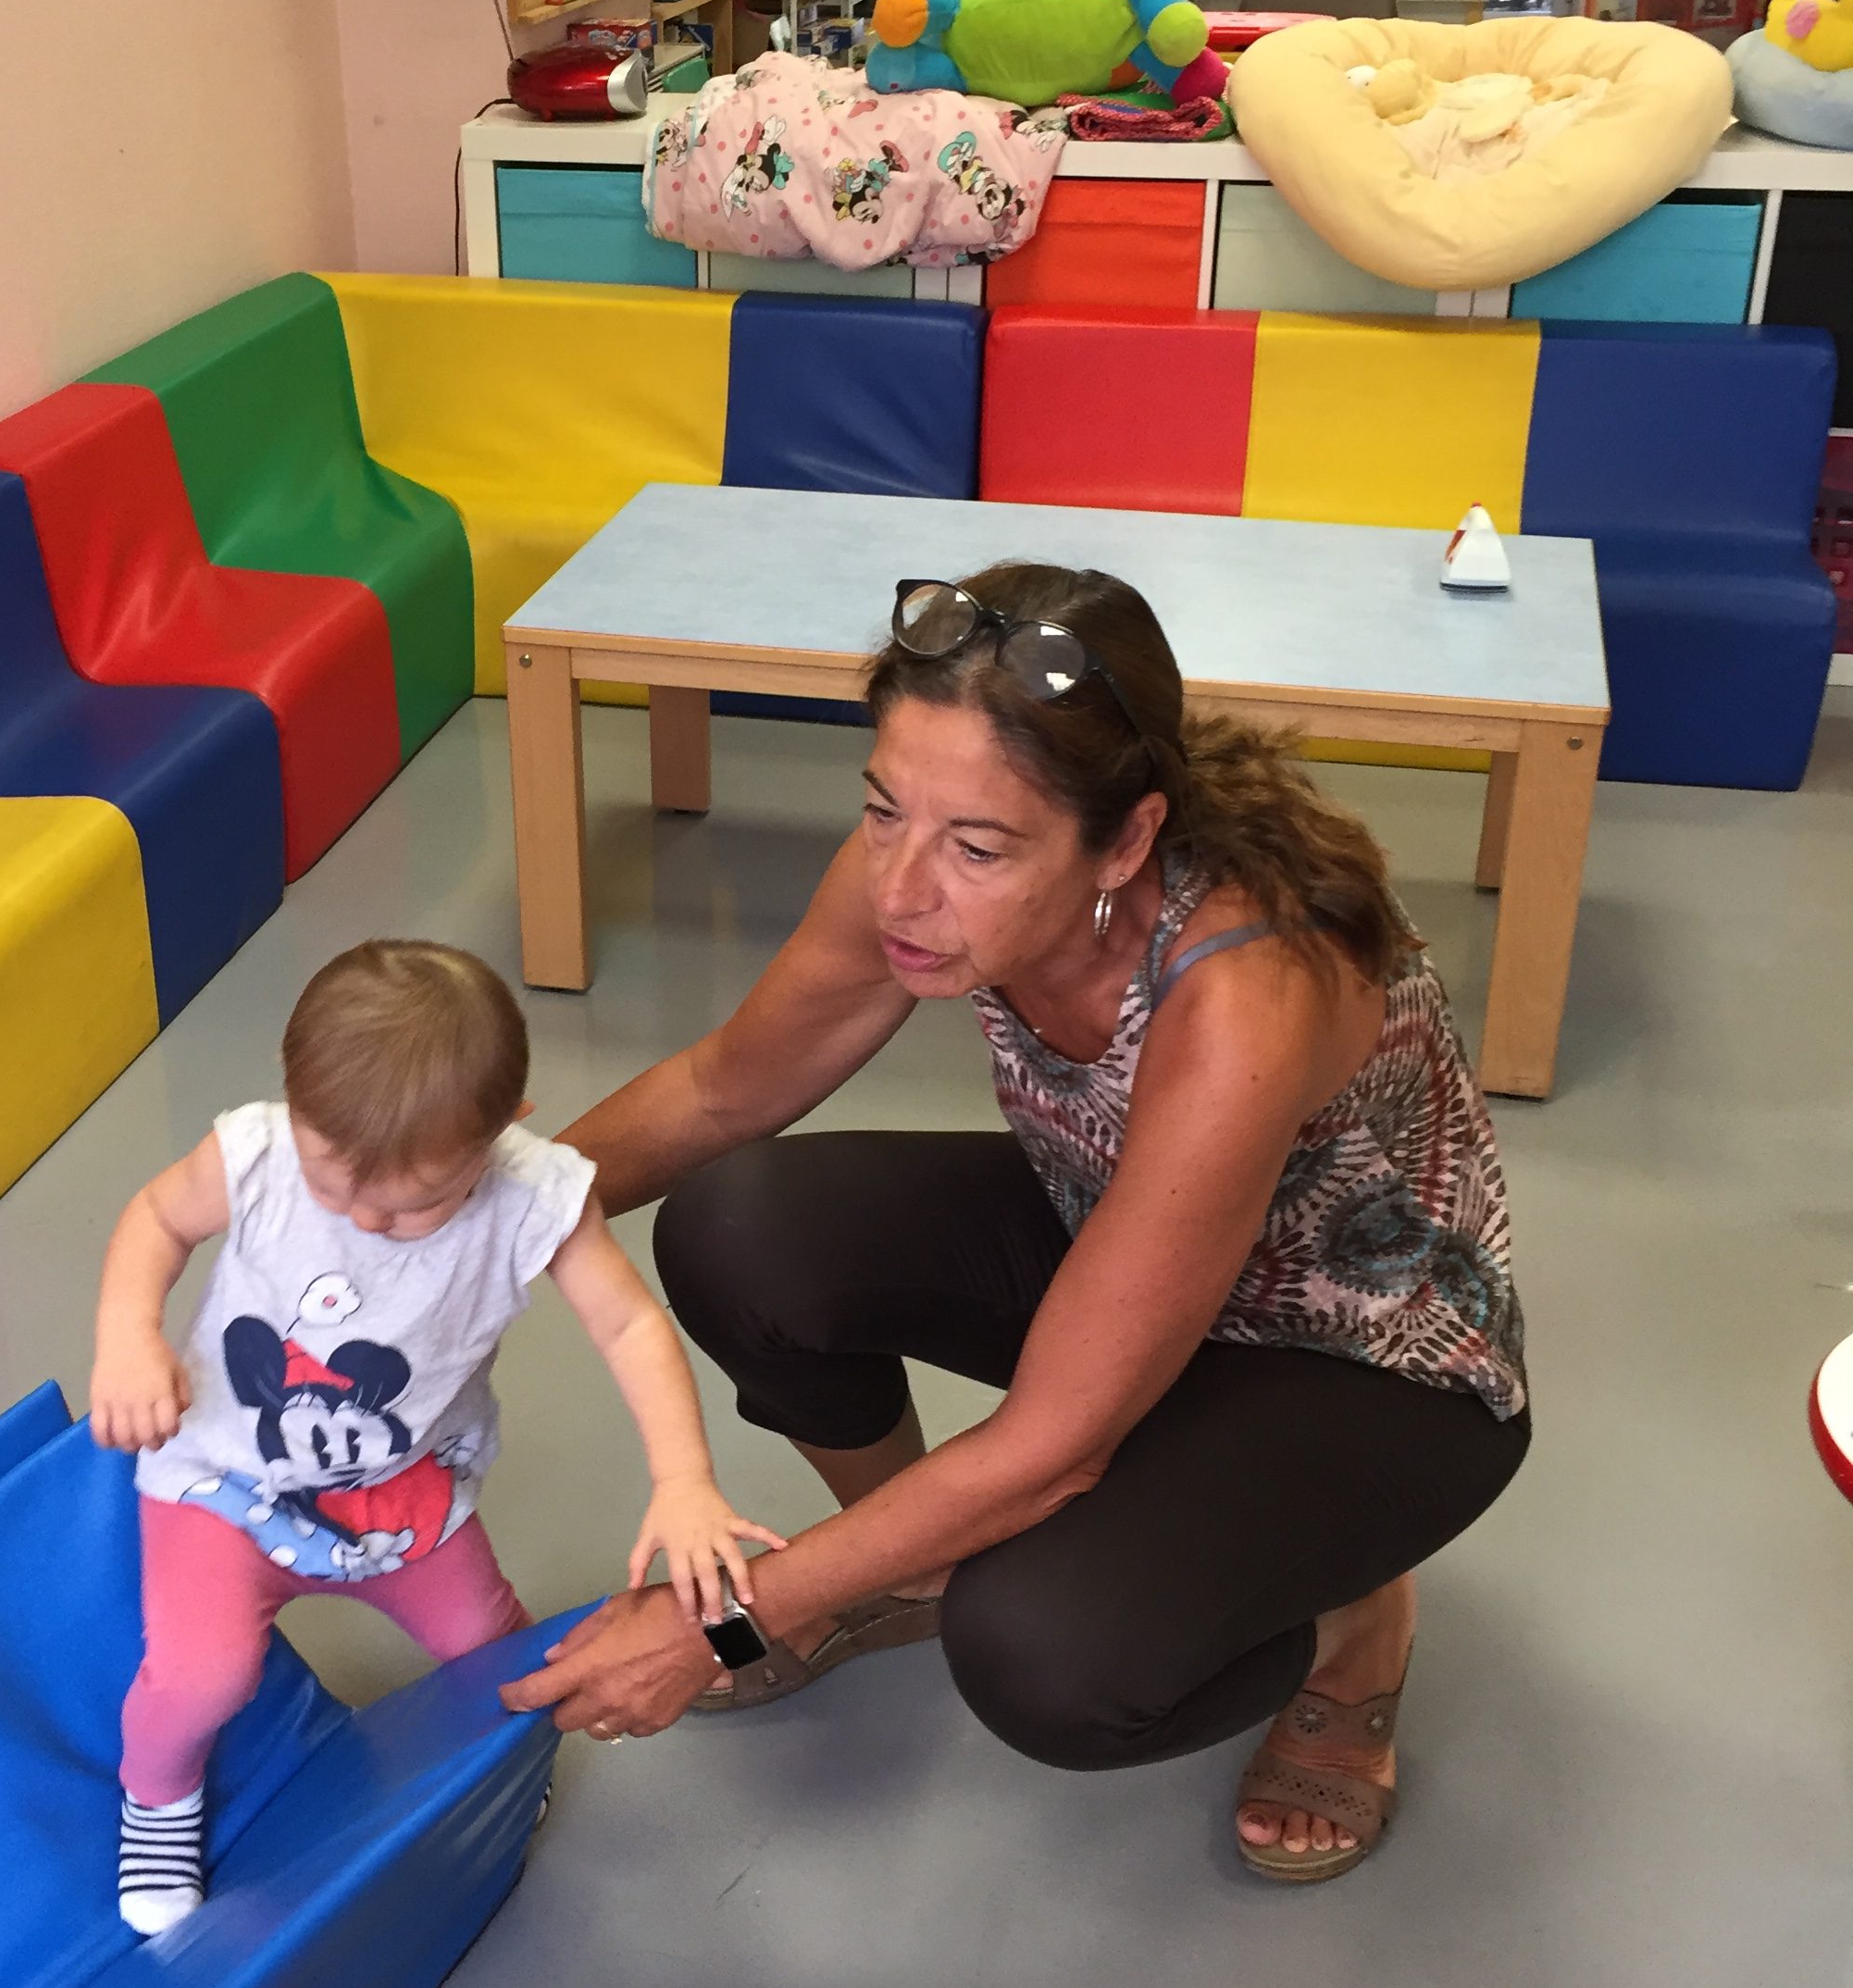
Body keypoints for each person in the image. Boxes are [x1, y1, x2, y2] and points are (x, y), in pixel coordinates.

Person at [503, 565, 1531, 1885]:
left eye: (977, 850)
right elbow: (721, 1092)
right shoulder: (927, 861)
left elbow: (1052, 1450)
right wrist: (467, 1222)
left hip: (1363, 1356)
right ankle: (903, 1568)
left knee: (1047, 1651)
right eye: (883, 809)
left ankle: (1353, 1629)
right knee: (738, 1229)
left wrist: (718, 1623)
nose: (901, 890)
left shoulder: (1246, 989)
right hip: (1122, 1241)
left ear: (1125, 841)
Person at [87, 937, 779, 1932]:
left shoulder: (534, 1196)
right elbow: (158, 1219)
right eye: (336, 1186)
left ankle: (492, 1772)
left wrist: (684, 1479)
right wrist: (127, 1333)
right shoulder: (259, 1156)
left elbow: (629, 1325)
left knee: (498, 1657)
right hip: (225, 1483)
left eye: (415, 1206)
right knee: (205, 1677)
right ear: (295, 1104)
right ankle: (155, 1798)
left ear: (506, 1128)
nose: (368, 1221)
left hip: (405, 1503)